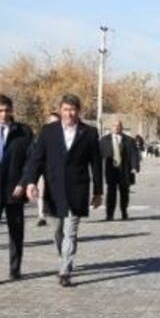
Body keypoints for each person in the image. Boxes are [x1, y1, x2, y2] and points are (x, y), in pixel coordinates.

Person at [24, 94, 104, 287]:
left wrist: (98, 191)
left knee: (71, 232)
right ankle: (64, 256)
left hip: (78, 189)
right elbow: (37, 159)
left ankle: (65, 271)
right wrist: (31, 182)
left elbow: (96, 164)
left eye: (73, 109)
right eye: (66, 109)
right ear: (60, 110)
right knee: (58, 231)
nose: (69, 113)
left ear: (79, 111)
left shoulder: (89, 133)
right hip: (54, 189)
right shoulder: (48, 131)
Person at [0, 95, 33, 282]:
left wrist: (23, 182)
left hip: (15, 191)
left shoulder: (24, 132)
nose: (4, 114)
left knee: (16, 232)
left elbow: (31, 161)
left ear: (12, 110)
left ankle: (15, 269)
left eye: (7, 110)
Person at [99, 119, 140, 221]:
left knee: (124, 193)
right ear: (110, 127)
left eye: (118, 126)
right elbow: (99, 155)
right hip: (110, 170)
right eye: (114, 126)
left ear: (122, 127)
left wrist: (134, 167)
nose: (116, 128)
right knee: (111, 193)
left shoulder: (129, 140)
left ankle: (124, 212)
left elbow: (134, 154)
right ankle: (109, 214)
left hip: (125, 170)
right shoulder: (104, 140)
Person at [35, 112, 60, 227]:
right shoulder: (43, 136)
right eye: (51, 121)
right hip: (43, 169)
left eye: (56, 121)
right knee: (41, 192)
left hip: (58, 170)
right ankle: (41, 216)